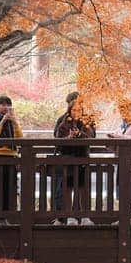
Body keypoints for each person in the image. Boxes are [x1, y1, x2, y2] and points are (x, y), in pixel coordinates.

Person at [52, 91, 96, 224]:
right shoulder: (63, 120)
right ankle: (69, 216)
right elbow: (58, 137)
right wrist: (69, 137)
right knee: (68, 187)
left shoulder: (87, 119)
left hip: (83, 156)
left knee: (83, 187)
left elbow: (92, 136)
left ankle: (84, 216)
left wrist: (80, 134)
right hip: (67, 157)